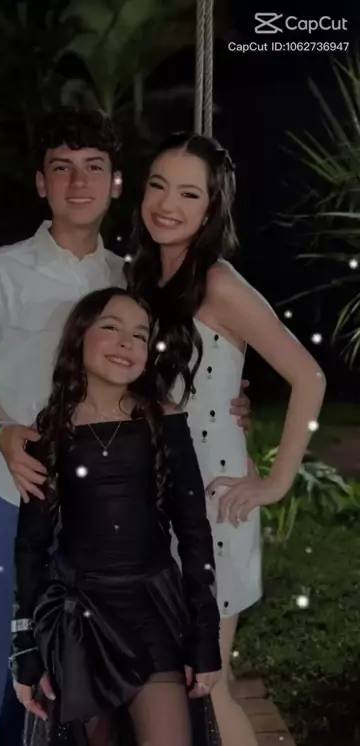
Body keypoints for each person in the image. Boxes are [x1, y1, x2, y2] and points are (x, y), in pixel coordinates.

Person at [0, 108, 249, 746]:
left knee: (99, 684)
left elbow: (167, 366)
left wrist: (231, 395)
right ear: (40, 182)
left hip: (108, 511)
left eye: (93, 168)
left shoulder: (127, 277)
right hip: (18, 489)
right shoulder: (0, 269)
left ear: (115, 183)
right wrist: (1, 433)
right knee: (2, 662)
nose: (78, 183)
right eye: (61, 168)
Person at [126, 131, 326, 746]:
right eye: (159, 185)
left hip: (212, 505)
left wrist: (275, 482)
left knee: (206, 683)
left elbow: (309, 376)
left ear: (212, 208)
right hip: (155, 499)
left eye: (190, 194)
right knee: (171, 680)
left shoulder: (219, 283)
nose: (168, 204)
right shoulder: (143, 278)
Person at [10, 287, 222, 746]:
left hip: (151, 610)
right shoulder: (49, 430)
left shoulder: (165, 420)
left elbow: (193, 531)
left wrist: (206, 634)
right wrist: (24, 643)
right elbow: (30, 545)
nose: (127, 342)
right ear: (79, 337)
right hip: (81, 619)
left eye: (140, 335)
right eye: (111, 327)